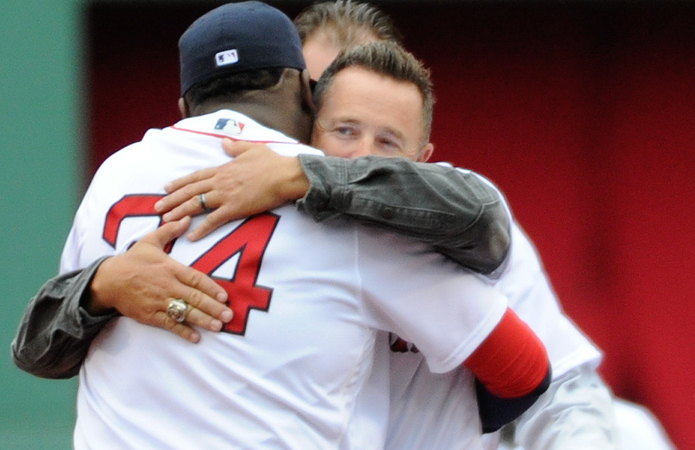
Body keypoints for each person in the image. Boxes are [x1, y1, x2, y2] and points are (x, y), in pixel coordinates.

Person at [37, 3, 549, 448]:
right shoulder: (353, 221)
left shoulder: (116, 173)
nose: (362, 149)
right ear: (307, 94)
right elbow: (524, 370)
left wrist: (103, 286)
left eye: (385, 140)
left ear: (183, 106)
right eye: (346, 128)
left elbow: (42, 348)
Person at [155, 2, 617, 449]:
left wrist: (309, 175)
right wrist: (100, 287)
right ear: (299, 104)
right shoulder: (227, 201)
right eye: (334, 112)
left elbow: (559, 388)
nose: (361, 153)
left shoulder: (450, 209)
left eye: (386, 133)